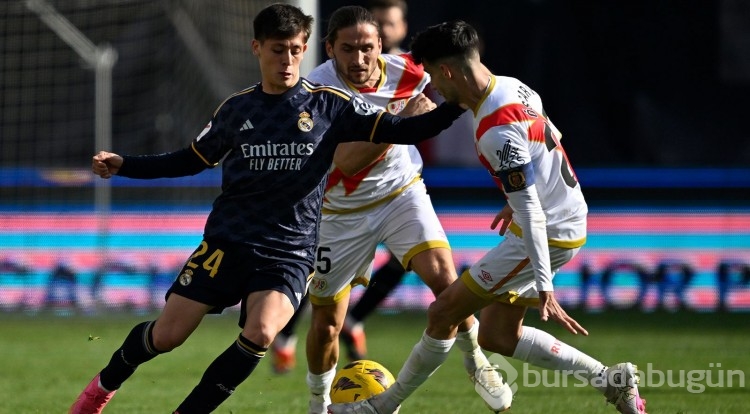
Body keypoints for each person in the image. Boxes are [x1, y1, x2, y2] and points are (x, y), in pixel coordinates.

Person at [67, 4, 467, 414]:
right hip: (228, 242)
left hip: (289, 251)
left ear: (306, 49)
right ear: (257, 48)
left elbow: (407, 129)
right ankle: (101, 387)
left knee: (260, 333)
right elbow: (189, 160)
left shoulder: (330, 105)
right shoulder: (237, 110)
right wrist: (125, 165)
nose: (288, 60)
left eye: (296, 50)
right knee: (167, 336)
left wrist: (456, 101)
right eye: (278, 50)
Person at [328, 20, 648, 414]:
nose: (435, 90)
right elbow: (552, 138)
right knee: (497, 334)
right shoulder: (514, 86)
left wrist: (545, 283)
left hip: (547, 232)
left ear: (446, 71)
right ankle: (611, 380)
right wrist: (517, 191)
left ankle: (378, 407)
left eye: (433, 78)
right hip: (563, 214)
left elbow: (531, 210)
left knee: (443, 310)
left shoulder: (492, 128)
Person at [298, 6, 505, 414]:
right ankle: (317, 406)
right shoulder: (314, 93)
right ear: (329, 49)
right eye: (347, 50)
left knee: (447, 281)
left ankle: (476, 361)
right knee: (326, 326)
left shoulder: (407, 72)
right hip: (339, 213)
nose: (359, 60)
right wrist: (403, 120)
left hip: (400, 193)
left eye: (367, 49)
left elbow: (462, 86)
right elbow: (347, 161)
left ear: (381, 45)